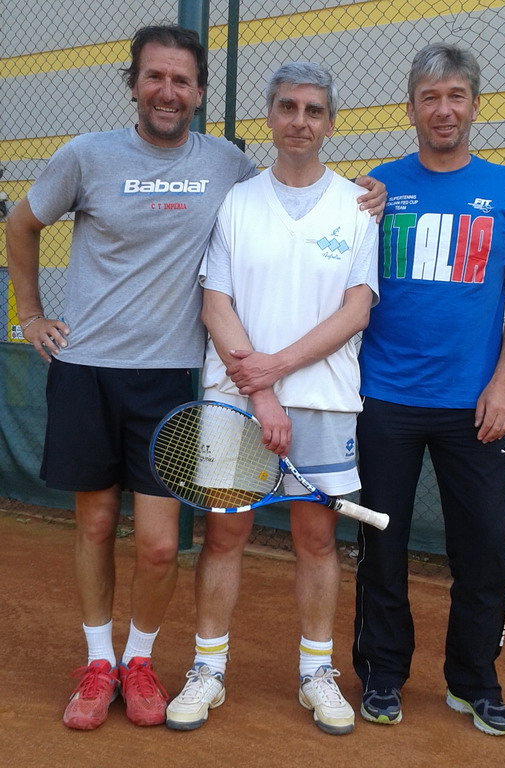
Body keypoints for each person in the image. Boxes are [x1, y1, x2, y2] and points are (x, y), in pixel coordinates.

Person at [6, 26, 384, 732]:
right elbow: (23, 225)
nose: (168, 91)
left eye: (181, 80)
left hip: (177, 381)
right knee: (105, 525)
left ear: (201, 93)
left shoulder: (235, 168)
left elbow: (336, 272)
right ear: (133, 83)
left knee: (170, 545)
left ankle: (162, 662)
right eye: (155, 77)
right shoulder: (95, 157)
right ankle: (114, 663)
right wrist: (28, 315)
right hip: (104, 373)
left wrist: (371, 190)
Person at [164, 62, 379, 736]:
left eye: (313, 110)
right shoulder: (237, 202)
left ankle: (317, 673)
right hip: (235, 402)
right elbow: (215, 304)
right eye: (288, 107)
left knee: (316, 539)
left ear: (330, 123)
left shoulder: (357, 206)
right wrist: (261, 396)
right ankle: (208, 668)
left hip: (323, 401)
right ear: (270, 115)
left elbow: (357, 310)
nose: (299, 121)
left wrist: (276, 372)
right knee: (225, 534)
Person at [352, 43, 505, 736]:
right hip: (385, 400)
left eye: (455, 96)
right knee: (382, 547)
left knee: (484, 550)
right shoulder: (375, 189)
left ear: (475, 105)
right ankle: (382, 673)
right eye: (429, 97)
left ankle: (473, 681)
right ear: (409, 108)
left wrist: (504, 384)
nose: (443, 110)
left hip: (475, 406)